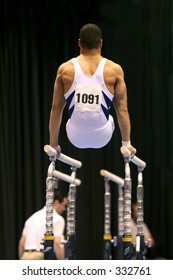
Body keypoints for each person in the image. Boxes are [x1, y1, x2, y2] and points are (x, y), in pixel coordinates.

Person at [49, 23, 136, 155]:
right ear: (101, 43)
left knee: (68, 119)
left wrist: (53, 145)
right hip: (103, 136)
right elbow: (122, 110)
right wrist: (126, 144)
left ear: (79, 43)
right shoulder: (114, 70)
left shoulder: (65, 70)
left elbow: (56, 108)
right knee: (112, 117)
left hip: (75, 136)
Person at [18, 190, 68, 260]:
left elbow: (21, 243)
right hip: (39, 256)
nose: (64, 209)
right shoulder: (58, 219)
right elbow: (57, 242)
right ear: (56, 202)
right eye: (64, 205)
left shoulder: (32, 218)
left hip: (25, 256)